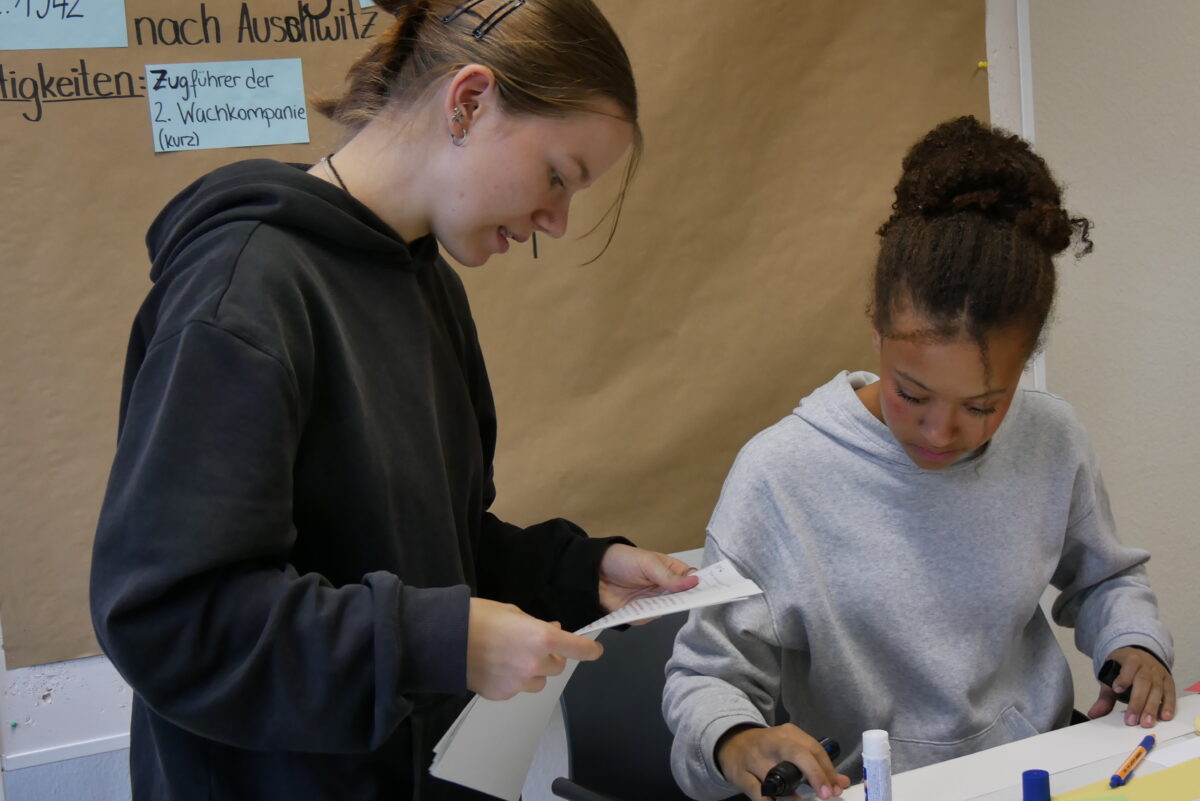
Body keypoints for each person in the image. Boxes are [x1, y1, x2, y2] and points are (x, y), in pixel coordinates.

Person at [89, 2, 697, 799]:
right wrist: (437, 640)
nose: (556, 221)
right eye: (558, 175)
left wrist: (579, 573)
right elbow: (172, 618)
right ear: (468, 102)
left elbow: (428, 543)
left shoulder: (427, 285)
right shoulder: (244, 293)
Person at [662, 116, 1175, 801]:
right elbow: (708, 677)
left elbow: (1106, 579)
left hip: (1039, 770)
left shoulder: (1051, 437)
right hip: (872, 787)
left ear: (1025, 367)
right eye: (913, 393)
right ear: (876, 328)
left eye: (984, 404)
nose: (942, 431)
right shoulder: (781, 475)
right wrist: (735, 739)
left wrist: (1134, 642)